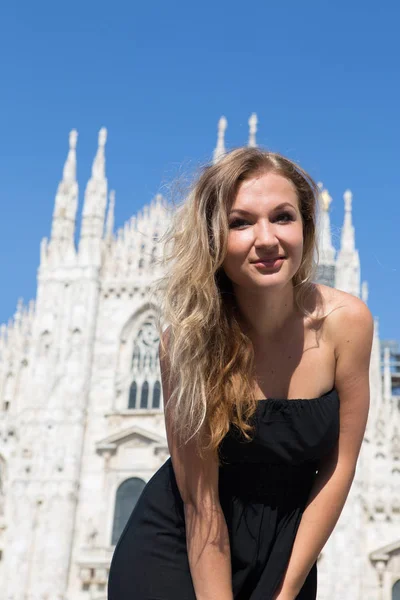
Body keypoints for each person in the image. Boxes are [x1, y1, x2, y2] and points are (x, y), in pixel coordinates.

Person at [107, 147, 373, 600]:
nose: (266, 238)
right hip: (183, 547)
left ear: (306, 229)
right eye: (241, 222)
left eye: (283, 217)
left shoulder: (346, 323)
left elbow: (340, 464)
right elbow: (200, 503)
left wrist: (286, 589)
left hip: (284, 549)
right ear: (214, 238)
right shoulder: (188, 341)